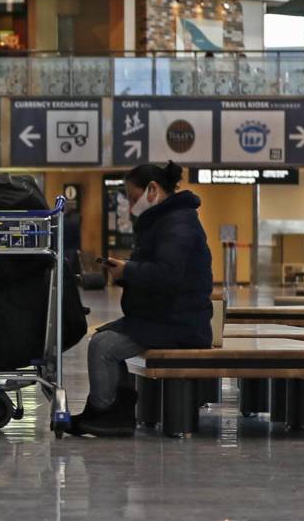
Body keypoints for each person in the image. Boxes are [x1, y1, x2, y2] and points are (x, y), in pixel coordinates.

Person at [73, 161, 213, 437]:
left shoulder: (178, 223)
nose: (130, 203)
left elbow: (169, 275)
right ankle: (113, 412)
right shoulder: (166, 221)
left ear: (153, 189)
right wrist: (125, 272)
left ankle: (105, 412)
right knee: (105, 336)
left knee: (103, 345)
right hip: (165, 318)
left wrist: (129, 270)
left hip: (179, 324)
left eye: (133, 196)